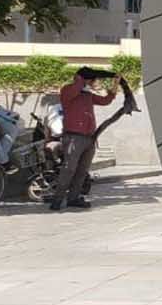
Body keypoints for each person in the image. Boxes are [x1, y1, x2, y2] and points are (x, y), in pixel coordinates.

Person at [47, 67, 121, 211]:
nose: (94, 84)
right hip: (73, 137)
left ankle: (73, 198)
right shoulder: (68, 90)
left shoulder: (87, 95)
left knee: (82, 171)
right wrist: (82, 78)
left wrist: (115, 83)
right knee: (69, 169)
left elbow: (106, 100)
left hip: (89, 138)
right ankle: (57, 200)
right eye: (93, 80)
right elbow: (76, 87)